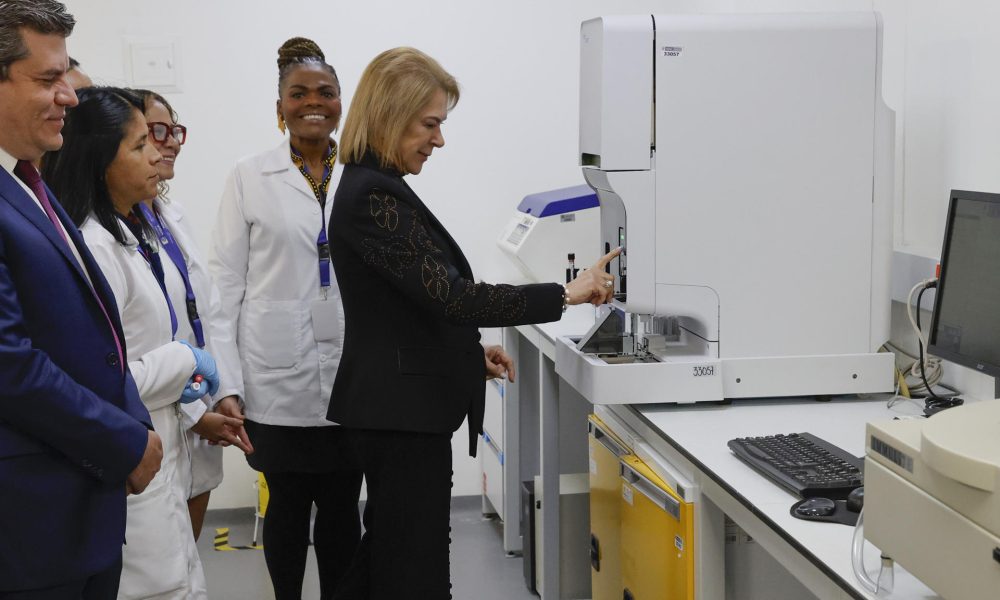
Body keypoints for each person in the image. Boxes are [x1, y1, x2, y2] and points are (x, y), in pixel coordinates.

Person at [328, 46, 619, 599]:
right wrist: (566, 292)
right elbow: (454, 298)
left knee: (388, 560)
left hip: (398, 409)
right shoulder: (373, 196)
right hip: (399, 418)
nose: (438, 139)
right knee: (411, 574)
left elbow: (408, 305)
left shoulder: (376, 186)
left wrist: (463, 356)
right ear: (391, 115)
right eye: (430, 123)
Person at [43, 86, 231, 600]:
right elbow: (102, 380)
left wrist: (190, 397)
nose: (157, 154)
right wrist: (183, 360)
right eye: (140, 145)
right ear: (100, 158)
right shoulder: (96, 246)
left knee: (181, 580)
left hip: (164, 445)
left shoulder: (131, 232)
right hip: (131, 462)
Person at [0, 2, 160, 598]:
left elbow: (96, 339)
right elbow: (9, 365)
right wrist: (123, 441)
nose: (69, 95)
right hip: (30, 523)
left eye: (66, 74)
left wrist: (133, 429)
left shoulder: (28, 183)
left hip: (80, 505)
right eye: (47, 79)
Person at [210, 37, 363, 600]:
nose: (312, 103)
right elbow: (224, 285)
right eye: (298, 94)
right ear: (280, 109)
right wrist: (226, 382)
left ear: (342, 103)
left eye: (326, 92)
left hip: (351, 371)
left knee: (345, 506)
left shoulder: (362, 173)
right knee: (288, 507)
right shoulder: (249, 176)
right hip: (273, 378)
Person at [136, 89, 253, 541]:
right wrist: (195, 414)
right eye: (155, 131)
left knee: (189, 557)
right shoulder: (107, 229)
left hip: (199, 405)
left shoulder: (170, 214)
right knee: (163, 560)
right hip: (165, 416)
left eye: (174, 130)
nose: (172, 142)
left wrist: (223, 392)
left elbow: (208, 310)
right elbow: (141, 351)